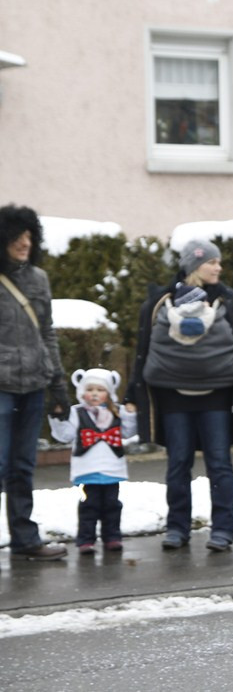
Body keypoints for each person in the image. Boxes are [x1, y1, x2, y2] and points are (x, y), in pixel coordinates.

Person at [125, 239, 233, 552]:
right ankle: (177, 528)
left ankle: (223, 531)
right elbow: (143, 348)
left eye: (218, 262)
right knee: (178, 464)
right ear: (192, 264)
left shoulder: (227, 301)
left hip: (216, 395)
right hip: (174, 397)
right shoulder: (162, 301)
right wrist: (132, 392)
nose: (218, 268)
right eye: (211, 262)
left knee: (219, 464)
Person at [0, 205, 69, 561]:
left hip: (33, 387)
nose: (24, 243)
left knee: (23, 466)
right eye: (17, 236)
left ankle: (25, 539)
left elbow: (47, 333)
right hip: (2, 387)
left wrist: (58, 384)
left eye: (29, 236)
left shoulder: (39, 279)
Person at [48, 369, 136, 554]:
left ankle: (112, 537)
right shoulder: (76, 412)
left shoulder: (116, 411)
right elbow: (65, 435)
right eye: (90, 389)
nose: (95, 393)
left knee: (112, 505)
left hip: (112, 470)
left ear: (109, 392)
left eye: (100, 389)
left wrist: (130, 414)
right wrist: (58, 417)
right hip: (87, 470)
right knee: (89, 505)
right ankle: (86, 540)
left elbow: (128, 432)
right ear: (82, 391)